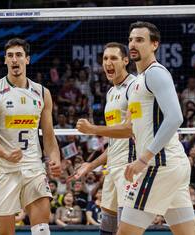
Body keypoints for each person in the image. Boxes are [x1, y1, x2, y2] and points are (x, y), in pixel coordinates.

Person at [118, 21, 195, 235]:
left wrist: (143, 159)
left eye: (140, 40)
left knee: (125, 233)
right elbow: (132, 127)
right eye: (131, 39)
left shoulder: (156, 73)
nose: (133, 44)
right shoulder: (137, 81)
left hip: (158, 165)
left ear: (155, 45)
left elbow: (175, 117)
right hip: (173, 166)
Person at [0, 37, 61, 235]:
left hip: (33, 166)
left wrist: (55, 159)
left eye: (19, 55)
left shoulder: (42, 93)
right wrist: (6, 153)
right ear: (5, 60)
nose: (14, 60)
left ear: (27, 59)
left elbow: (48, 136)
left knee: (42, 230)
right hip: (5, 169)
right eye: (10, 56)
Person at [67, 42, 136, 235]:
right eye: (105, 59)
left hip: (130, 165)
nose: (108, 63)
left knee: (126, 229)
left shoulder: (134, 87)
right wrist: (90, 165)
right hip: (113, 166)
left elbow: (130, 130)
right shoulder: (111, 92)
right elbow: (115, 142)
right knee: (107, 225)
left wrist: (92, 129)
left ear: (125, 60)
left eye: (113, 58)